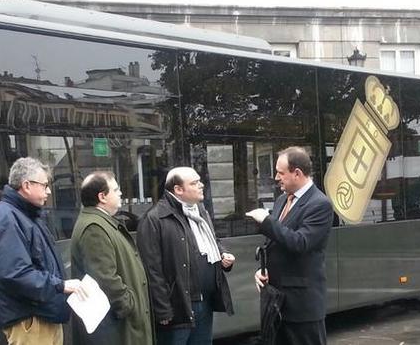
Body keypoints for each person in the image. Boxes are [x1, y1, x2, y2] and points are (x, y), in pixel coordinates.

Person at [0, 157, 85, 345]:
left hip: (41, 316)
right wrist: (60, 285)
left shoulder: (25, 215)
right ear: (26, 185)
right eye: (44, 185)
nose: (49, 191)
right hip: (31, 320)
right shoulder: (6, 218)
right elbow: (15, 274)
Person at [137, 166, 235, 345]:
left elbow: (212, 240)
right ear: (178, 189)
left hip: (205, 301)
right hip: (178, 306)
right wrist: (163, 310)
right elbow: (152, 270)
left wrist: (222, 254)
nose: (201, 185)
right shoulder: (155, 219)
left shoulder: (199, 210)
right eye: (195, 183)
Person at [248, 147, 333, 345]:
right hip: (276, 303)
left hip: (302, 307)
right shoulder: (281, 200)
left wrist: (266, 221)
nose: (276, 177)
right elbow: (277, 244)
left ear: (297, 173)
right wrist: (263, 270)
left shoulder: (320, 204)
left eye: (280, 172)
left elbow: (300, 243)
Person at [70, 171, 153, 344]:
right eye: (116, 190)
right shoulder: (94, 228)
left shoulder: (101, 222)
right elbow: (105, 278)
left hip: (120, 326)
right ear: (102, 197)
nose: (120, 193)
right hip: (116, 329)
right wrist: (129, 304)